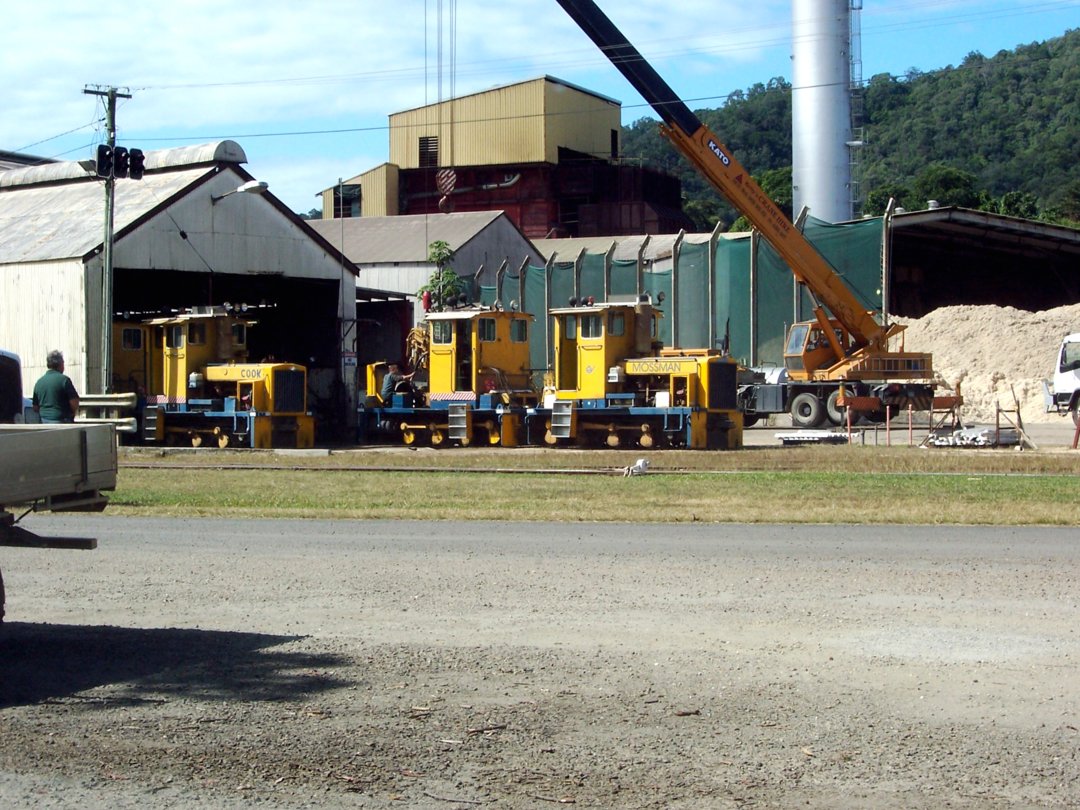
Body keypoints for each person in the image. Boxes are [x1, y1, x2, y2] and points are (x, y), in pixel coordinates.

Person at [32, 350, 80, 423]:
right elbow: (74, 402)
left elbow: (35, 407)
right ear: (60, 364)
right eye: (63, 363)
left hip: (44, 422)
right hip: (62, 421)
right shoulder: (64, 380)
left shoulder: (39, 382)